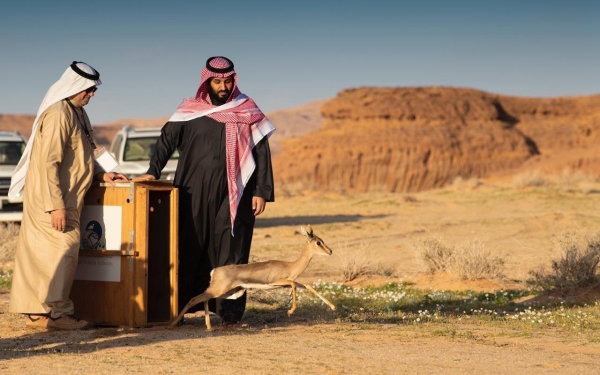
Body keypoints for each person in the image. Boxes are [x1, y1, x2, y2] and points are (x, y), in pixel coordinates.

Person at [134, 56, 275, 323]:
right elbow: (166, 142)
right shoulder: (189, 111)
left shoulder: (247, 110)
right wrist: (153, 171)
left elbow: (261, 152)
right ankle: (182, 306)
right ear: (206, 82)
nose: (223, 87)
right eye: (217, 81)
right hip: (192, 191)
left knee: (231, 250)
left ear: (234, 80)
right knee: (188, 245)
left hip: (236, 193)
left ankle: (229, 312)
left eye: (228, 81)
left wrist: (261, 190)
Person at [8, 61, 128, 330]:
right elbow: (47, 162)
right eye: (87, 89)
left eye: (93, 89)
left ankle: (38, 313)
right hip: (52, 199)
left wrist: (101, 174)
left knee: (44, 255)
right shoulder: (59, 114)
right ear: (74, 86)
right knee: (64, 251)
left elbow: (84, 153)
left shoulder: (77, 113)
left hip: (67, 197)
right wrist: (55, 206)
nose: (91, 94)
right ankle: (59, 314)